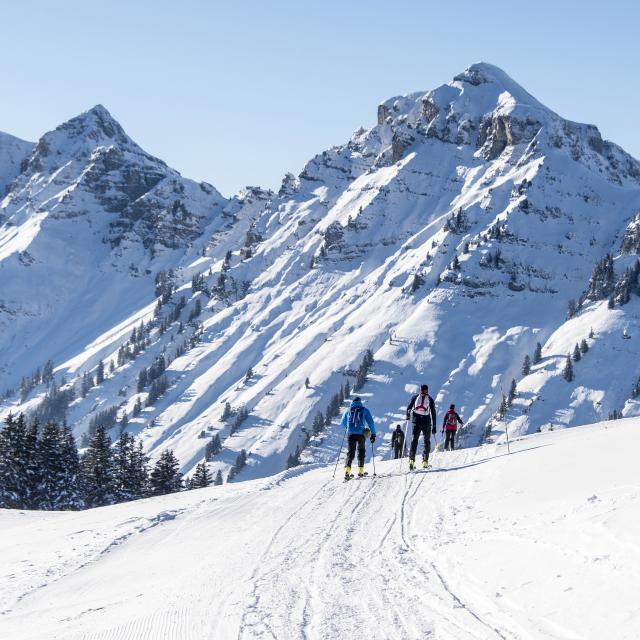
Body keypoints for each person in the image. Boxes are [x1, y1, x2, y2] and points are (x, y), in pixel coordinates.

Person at [341, 397, 376, 479]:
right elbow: (371, 422)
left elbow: (342, 422)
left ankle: (347, 471)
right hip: (361, 434)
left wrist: (348, 427)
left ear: (352, 402)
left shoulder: (348, 410)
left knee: (351, 452)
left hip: (351, 434)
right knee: (361, 451)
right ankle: (360, 471)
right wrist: (373, 434)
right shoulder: (364, 410)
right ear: (360, 402)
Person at [406, 384, 436, 470]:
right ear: (427, 390)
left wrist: (407, 416)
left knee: (414, 440)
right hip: (426, 421)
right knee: (427, 441)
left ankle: (411, 460)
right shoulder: (430, 399)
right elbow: (433, 413)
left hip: (416, 421)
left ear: (420, 390)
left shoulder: (415, 397)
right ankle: (425, 461)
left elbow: (409, 408)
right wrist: (434, 426)